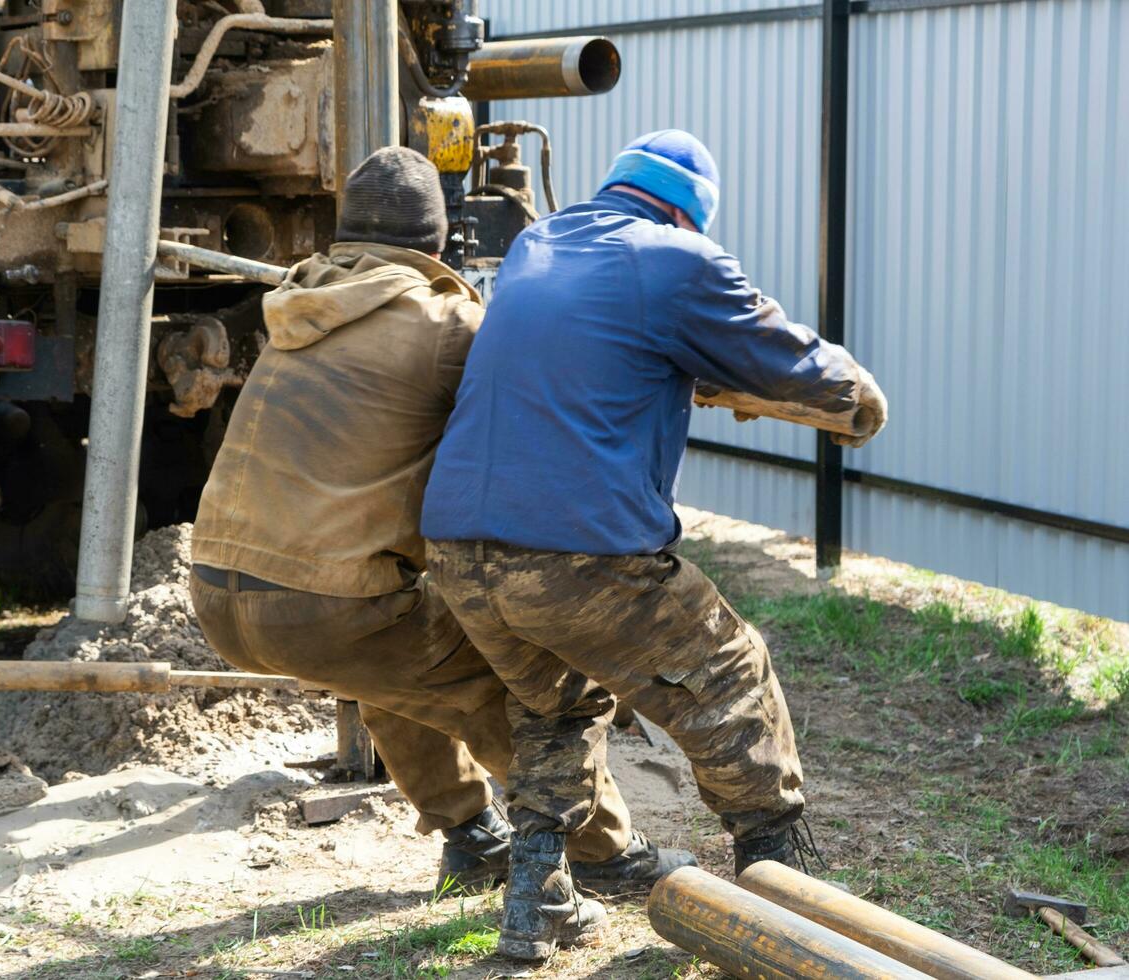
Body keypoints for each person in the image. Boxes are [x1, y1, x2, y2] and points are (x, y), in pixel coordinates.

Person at [421, 129, 889, 960]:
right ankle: (779, 900)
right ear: (685, 214)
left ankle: (536, 902)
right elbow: (792, 363)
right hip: (574, 554)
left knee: (552, 706)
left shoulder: (540, 243)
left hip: (459, 549)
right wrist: (857, 395)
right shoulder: (676, 259)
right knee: (730, 677)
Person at [189, 146, 695, 899]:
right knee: (504, 688)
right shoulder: (444, 325)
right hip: (323, 606)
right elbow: (543, 408)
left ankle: (470, 832)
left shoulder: (296, 310)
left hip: (218, 595)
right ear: (438, 242)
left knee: (394, 662)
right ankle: (605, 853)